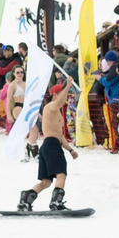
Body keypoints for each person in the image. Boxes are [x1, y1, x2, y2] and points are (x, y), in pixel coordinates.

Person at [16, 81, 77, 213]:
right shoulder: (50, 107)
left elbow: (60, 136)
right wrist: (68, 85)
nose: (65, 96)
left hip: (50, 145)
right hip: (51, 145)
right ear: (55, 95)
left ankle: (26, 199)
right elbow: (59, 102)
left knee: (46, 182)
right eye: (62, 93)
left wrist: (70, 150)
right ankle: (56, 202)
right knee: (61, 175)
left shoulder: (57, 113)